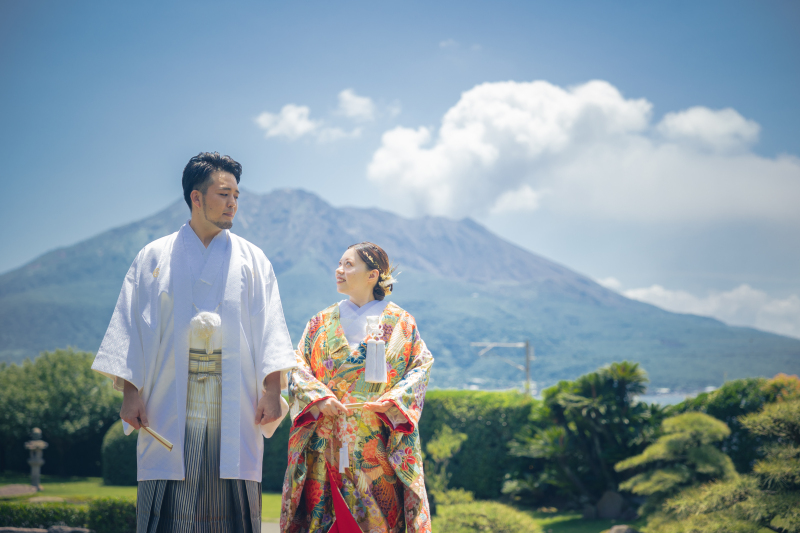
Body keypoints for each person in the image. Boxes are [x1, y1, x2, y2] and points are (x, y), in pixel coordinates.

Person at [92, 152, 297, 533]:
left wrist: (273, 390)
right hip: (168, 394)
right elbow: (132, 326)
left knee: (231, 494)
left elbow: (270, 328)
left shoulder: (253, 259)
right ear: (196, 197)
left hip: (234, 396)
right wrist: (130, 393)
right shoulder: (153, 256)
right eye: (224, 194)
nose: (233, 203)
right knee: (169, 498)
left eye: (236, 195)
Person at [281, 242, 433, 533]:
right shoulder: (319, 322)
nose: (339, 270)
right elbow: (298, 366)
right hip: (325, 440)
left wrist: (394, 401)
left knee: (377, 522)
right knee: (324, 520)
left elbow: (420, 366)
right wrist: (318, 398)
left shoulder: (401, 323)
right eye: (339, 263)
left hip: (376, 442)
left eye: (348, 265)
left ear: (373, 275)